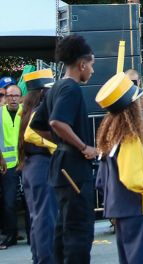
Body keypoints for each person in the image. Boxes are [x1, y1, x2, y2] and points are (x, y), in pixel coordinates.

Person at [30, 35, 98, 262]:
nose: (92, 71)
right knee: (78, 232)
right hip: (74, 170)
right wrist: (83, 146)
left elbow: (37, 125)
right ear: (82, 64)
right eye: (91, 65)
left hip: (61, 167)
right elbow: (56, 122)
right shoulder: (70, 89)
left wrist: (62, 142)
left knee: (63, 229)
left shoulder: (56, 87)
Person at [95, 72, 143, 264]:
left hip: (120, 209)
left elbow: (101, 182)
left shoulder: (110, 137)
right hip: (137, 209)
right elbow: (132, 179)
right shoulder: (130, 138)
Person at [16, 69, 57, 263]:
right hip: (41, 165)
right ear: (42, 91)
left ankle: (39, 258)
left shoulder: (26, 110)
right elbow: (31, 134)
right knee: (45, 219)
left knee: (37, 219)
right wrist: (55, 146)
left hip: (32, 166)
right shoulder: (37, 110)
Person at [0, 83, 22, 249]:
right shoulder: (0, 114)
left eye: (16, 96)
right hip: (7, 164)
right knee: (9, 202)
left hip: (26, 161)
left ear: (20, 97)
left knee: (30, 200)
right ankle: (10, 236)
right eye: (10, 96)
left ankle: (32, 234)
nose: (13, 99)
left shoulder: (26, 112)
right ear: (5, 98)